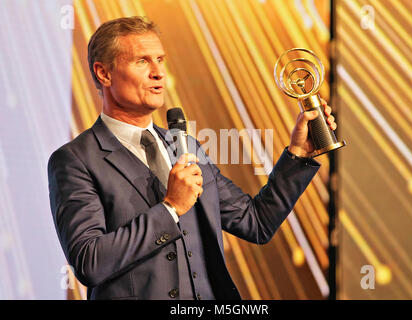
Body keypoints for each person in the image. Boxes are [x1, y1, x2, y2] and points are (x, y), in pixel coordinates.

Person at [48, 16, 337, 300]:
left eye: (160, 60)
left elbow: (256, 222)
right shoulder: (75, 160)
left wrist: (298, 153)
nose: (158, 72)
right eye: (142, 61)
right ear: (104, 73)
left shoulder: (185, 146)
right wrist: (171, 208)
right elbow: (89, 262)